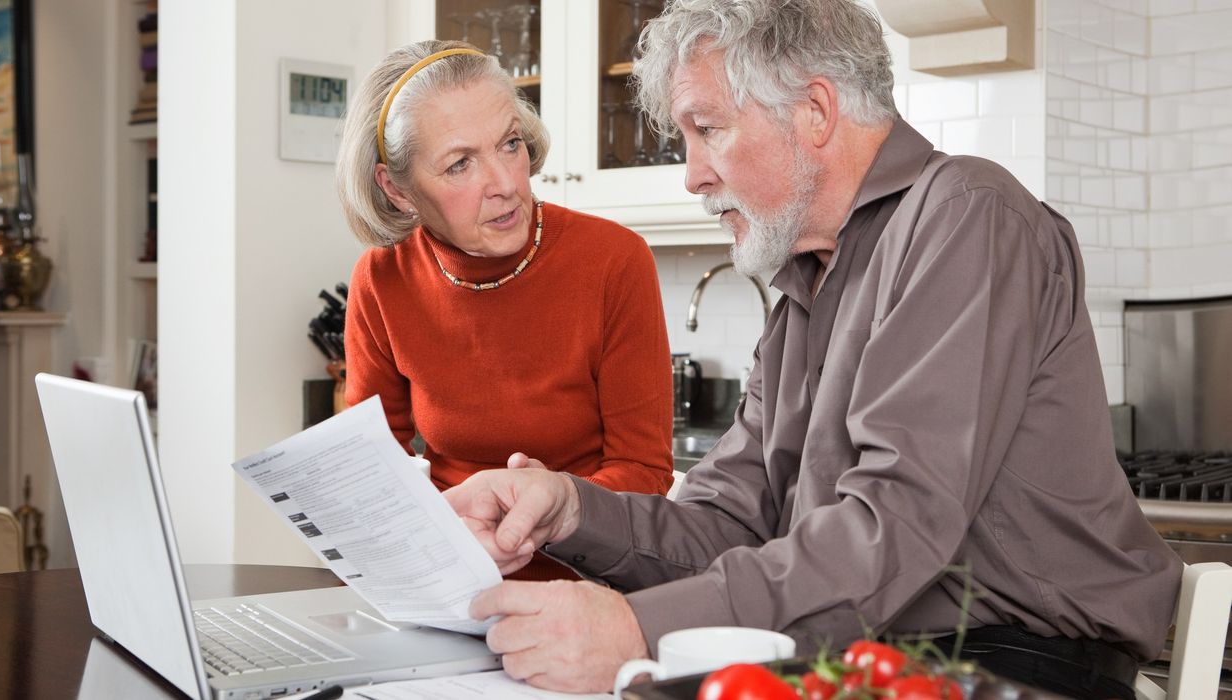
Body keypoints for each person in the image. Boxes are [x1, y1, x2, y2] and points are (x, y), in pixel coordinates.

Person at [444, 1, 1184, 696]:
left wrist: (637, 629)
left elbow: (895, 525)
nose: (693, 175)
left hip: (1019, 661)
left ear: (815, 111)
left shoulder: (968, 215)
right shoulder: (805, 284)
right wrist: (571, 510)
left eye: (708, 129)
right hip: (865, 650)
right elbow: (729, 525)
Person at [335, 40, 674, 582]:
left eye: (510, 144)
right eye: (460, 164)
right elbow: (376, 472)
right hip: (450, 576)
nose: (506, 185)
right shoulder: (382, 279)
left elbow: (645, 472)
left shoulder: (614, 261)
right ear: (397, 189)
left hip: (592, 580)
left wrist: (552, 504)